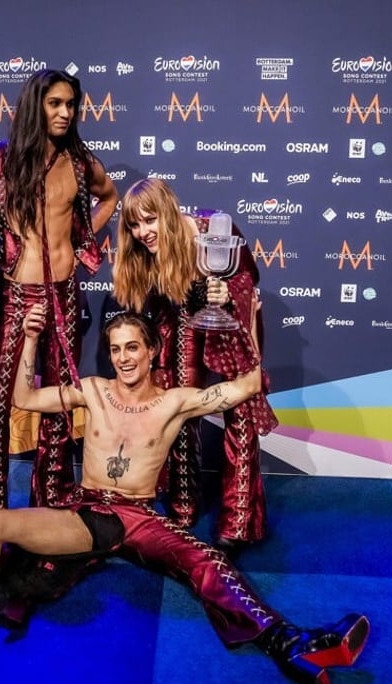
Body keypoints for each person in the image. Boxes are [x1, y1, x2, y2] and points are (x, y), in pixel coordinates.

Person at [0, 306, 369, 684]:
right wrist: (29, 339)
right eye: (115, 349)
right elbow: (25, 397)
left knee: (206, 560)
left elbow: (246, 385)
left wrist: (245, 320)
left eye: (133, 347)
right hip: (87, 512)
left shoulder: (175, 401)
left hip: (136, 515)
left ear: (152, 351)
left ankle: (292, 644)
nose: (124, 357)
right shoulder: (94, 391)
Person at [0, 68, 118, 519]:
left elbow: (110, 196)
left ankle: (51, 503)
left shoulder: (79, 161)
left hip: (65, 293)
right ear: (36, 105)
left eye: (71, 105)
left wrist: (81, 245)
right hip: (16, 293)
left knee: (58, 401)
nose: (65, 112)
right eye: (55, 103)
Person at [112, 178, 277, 553]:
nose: (142, 233)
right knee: (179, 399)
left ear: (168, 213)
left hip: (232, 320)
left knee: (239, 408)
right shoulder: (141, 250)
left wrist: (220, 291)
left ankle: (239, 519)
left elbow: (248, 280)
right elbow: (155, 299)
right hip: (181, 318)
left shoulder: (212, 228)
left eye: (149, 221)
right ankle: (181, 504)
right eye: (135, 225)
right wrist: (191, 294)